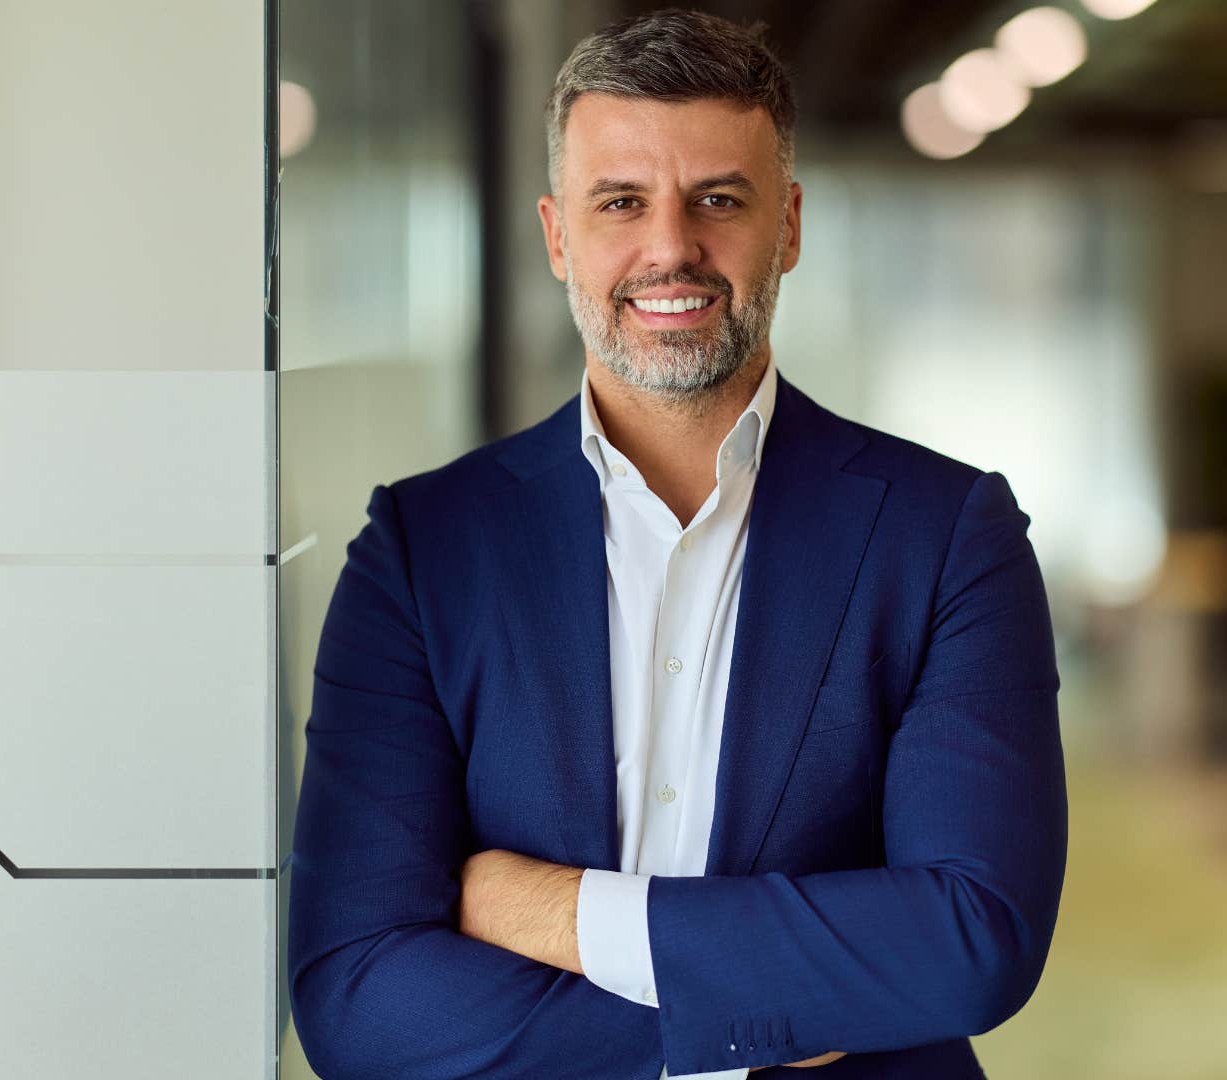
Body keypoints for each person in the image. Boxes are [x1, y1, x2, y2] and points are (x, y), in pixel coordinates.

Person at [287, 10, 1067, 1078]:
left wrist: (556, 912)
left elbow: (973, 942)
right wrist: (772, 1015)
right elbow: (357, 996)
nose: (670, 248)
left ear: (788, 226)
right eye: (621, 202)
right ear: (558, 235)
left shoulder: (948, 535)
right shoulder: (422, 551)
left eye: (719, 200)